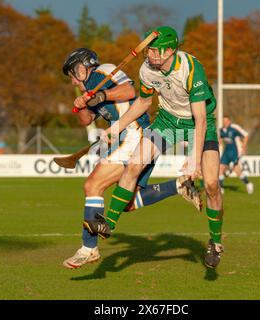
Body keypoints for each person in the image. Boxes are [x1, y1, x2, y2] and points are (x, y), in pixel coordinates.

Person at [84, 26, 224, 269]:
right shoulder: (147, 69)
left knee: (211, 183)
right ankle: (109, 224)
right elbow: (143, 102)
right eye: (149, 51)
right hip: (167, 122)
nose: (151, 56)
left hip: (199, 124)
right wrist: (116, 127)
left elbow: (200, 119)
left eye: (157, 52)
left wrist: (193, 160)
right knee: (133, 166)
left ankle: (216, 242)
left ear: (171, 51)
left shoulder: (191, 69)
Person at [61, 48, 201, 269]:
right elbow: (87, 120)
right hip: (123, 138)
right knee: (126, 202)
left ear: (85, 65)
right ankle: (179, 186)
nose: (73, 80)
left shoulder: (104, 71)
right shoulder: (88, 88)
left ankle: (89, 248)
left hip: (135, 132)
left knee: (93, 184)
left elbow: (128, 91)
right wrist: (81, 106)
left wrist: (101, 95)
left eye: (74, 73)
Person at [219, 116, 254, 194]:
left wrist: (244, 146)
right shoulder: (221, 130)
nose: (225, 122)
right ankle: (220, 188)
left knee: (237, 170)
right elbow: (220, 139)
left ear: (230, 121)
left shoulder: (234, 128)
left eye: (226, 121)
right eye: (223, 121)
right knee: (220, 169)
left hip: (235, 151)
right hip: (226, 152)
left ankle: (248, 183)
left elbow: (246, 135)